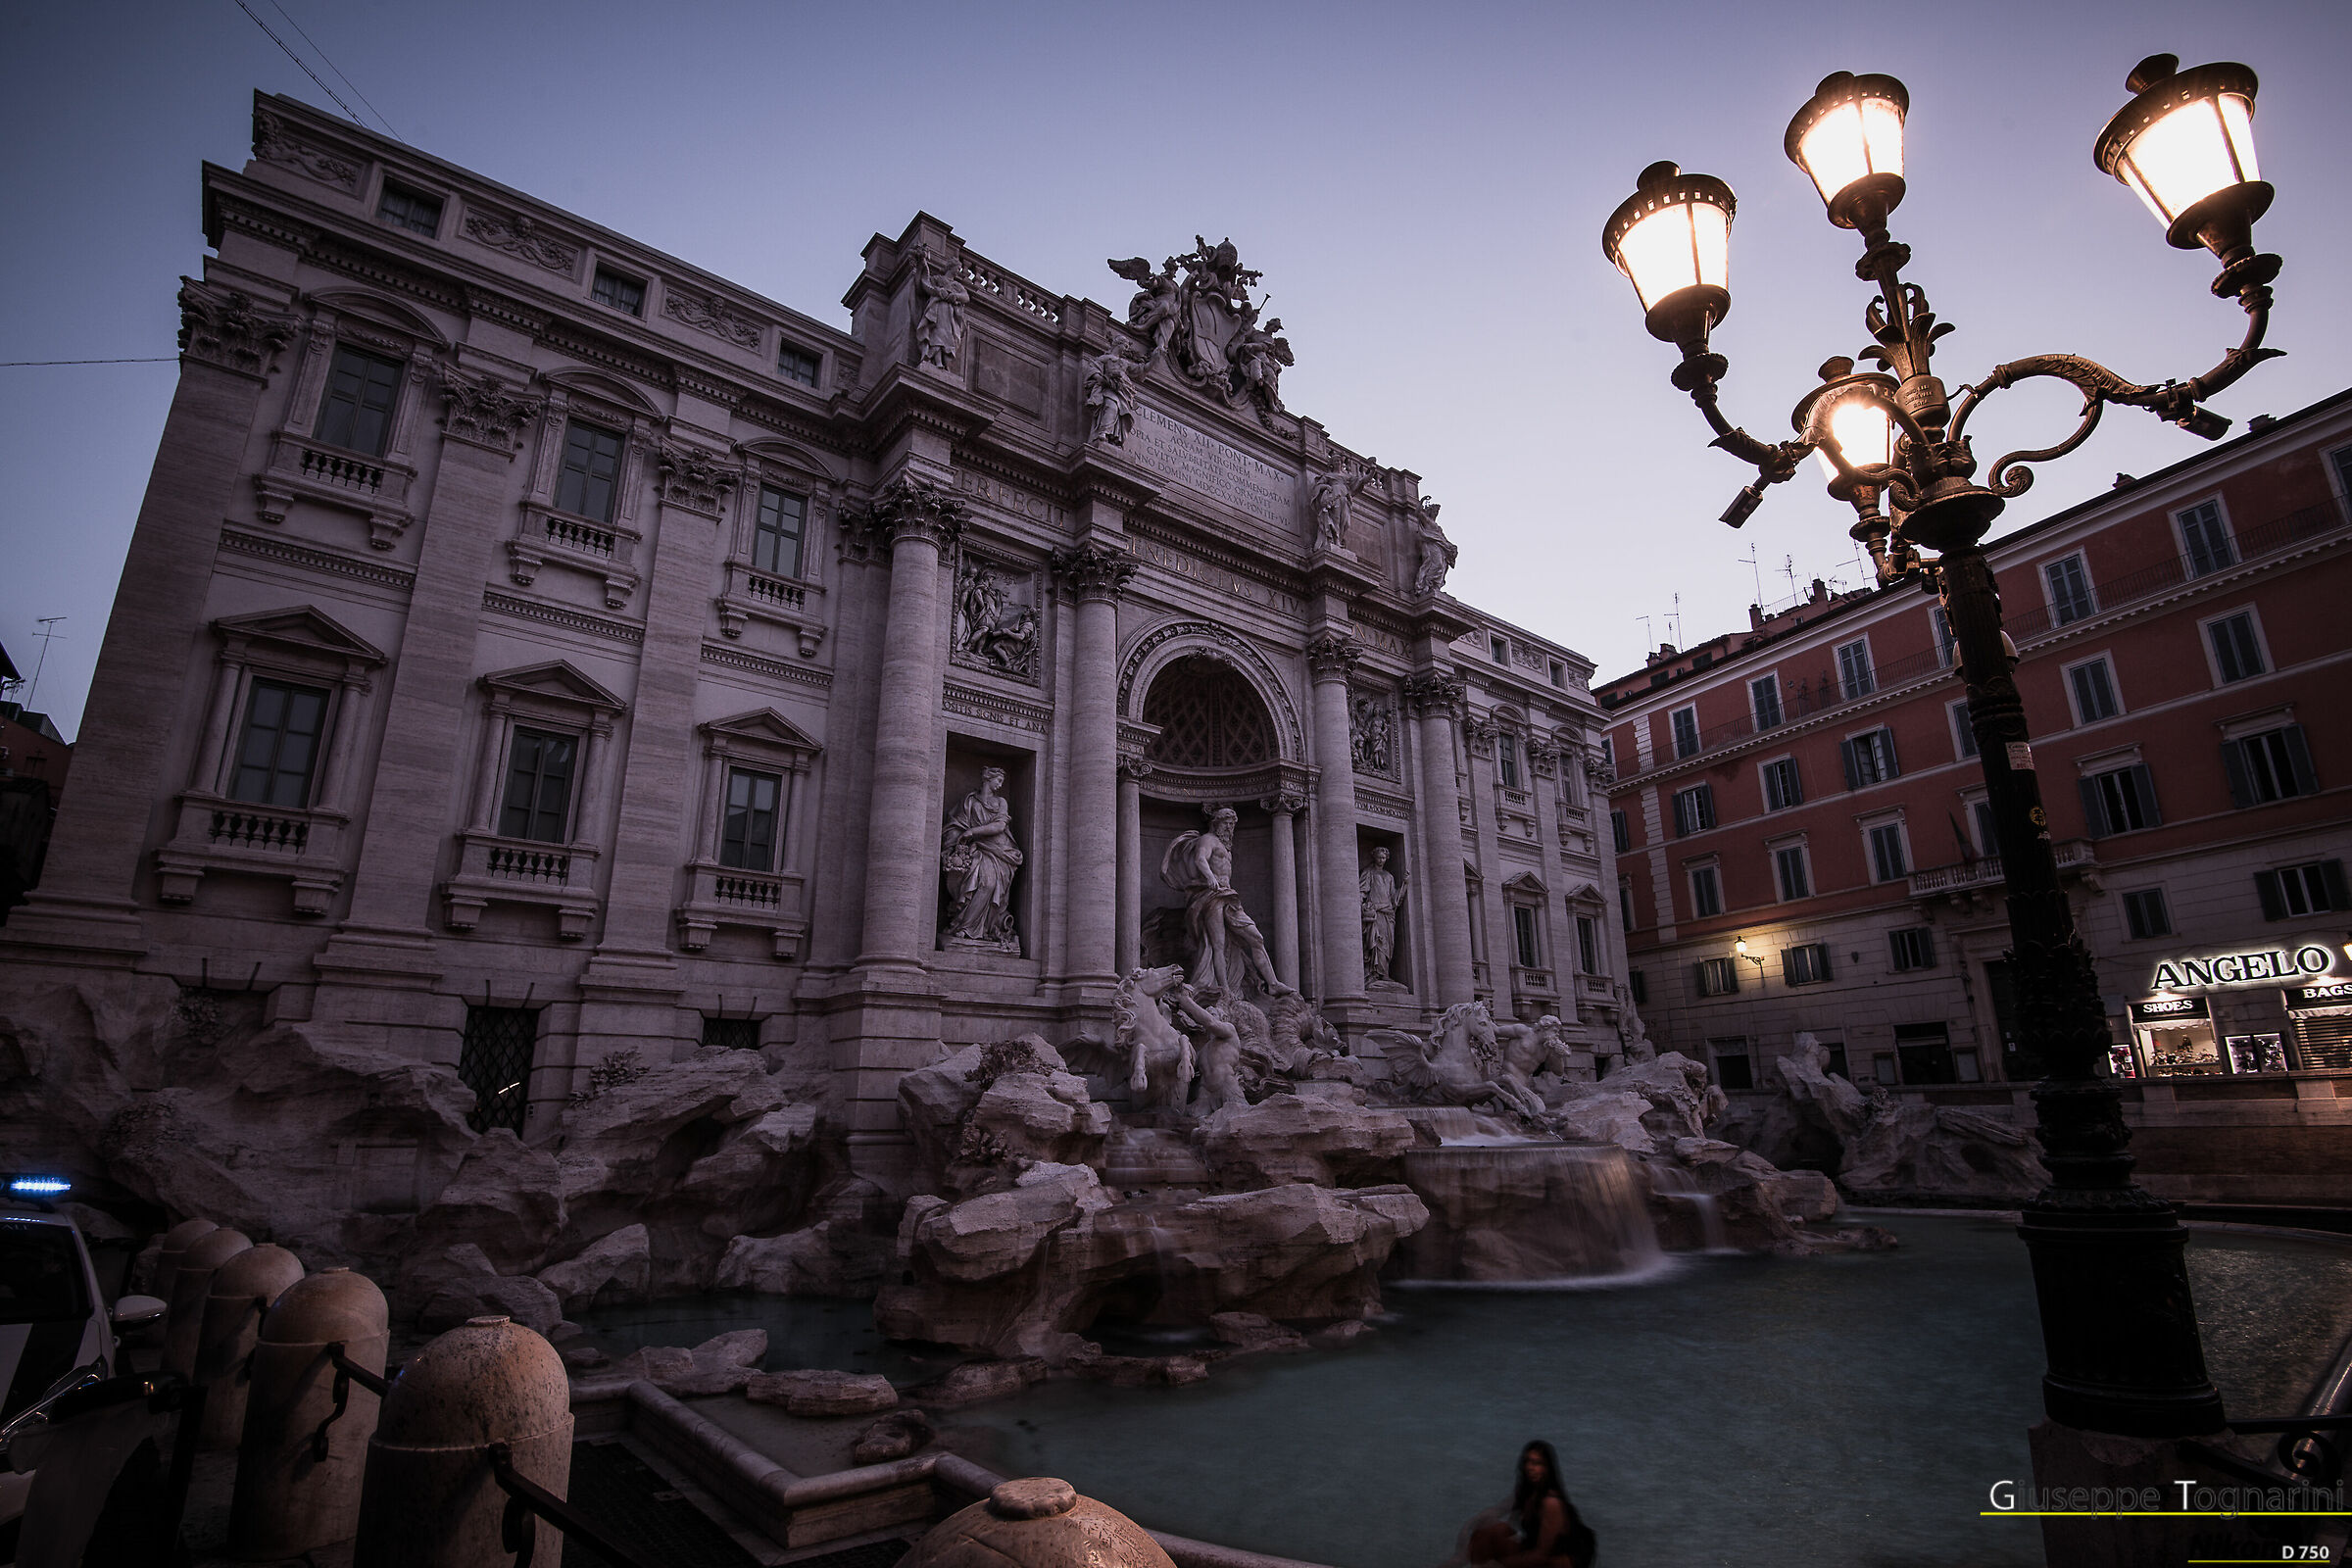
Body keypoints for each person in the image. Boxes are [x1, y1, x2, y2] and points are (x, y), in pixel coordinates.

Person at [1466, 1442, 1593, 1567]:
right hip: (1536, 1554)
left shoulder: (1551, 1503)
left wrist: (1500, 1564)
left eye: (1537, 1463)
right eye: (1527, 1461)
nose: (1530, 1467)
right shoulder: (1528, 1493)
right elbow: (1496, 1512)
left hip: (1558, 1562)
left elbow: (1542, 1556)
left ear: (1547, 1468)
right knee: (1486, 1534)